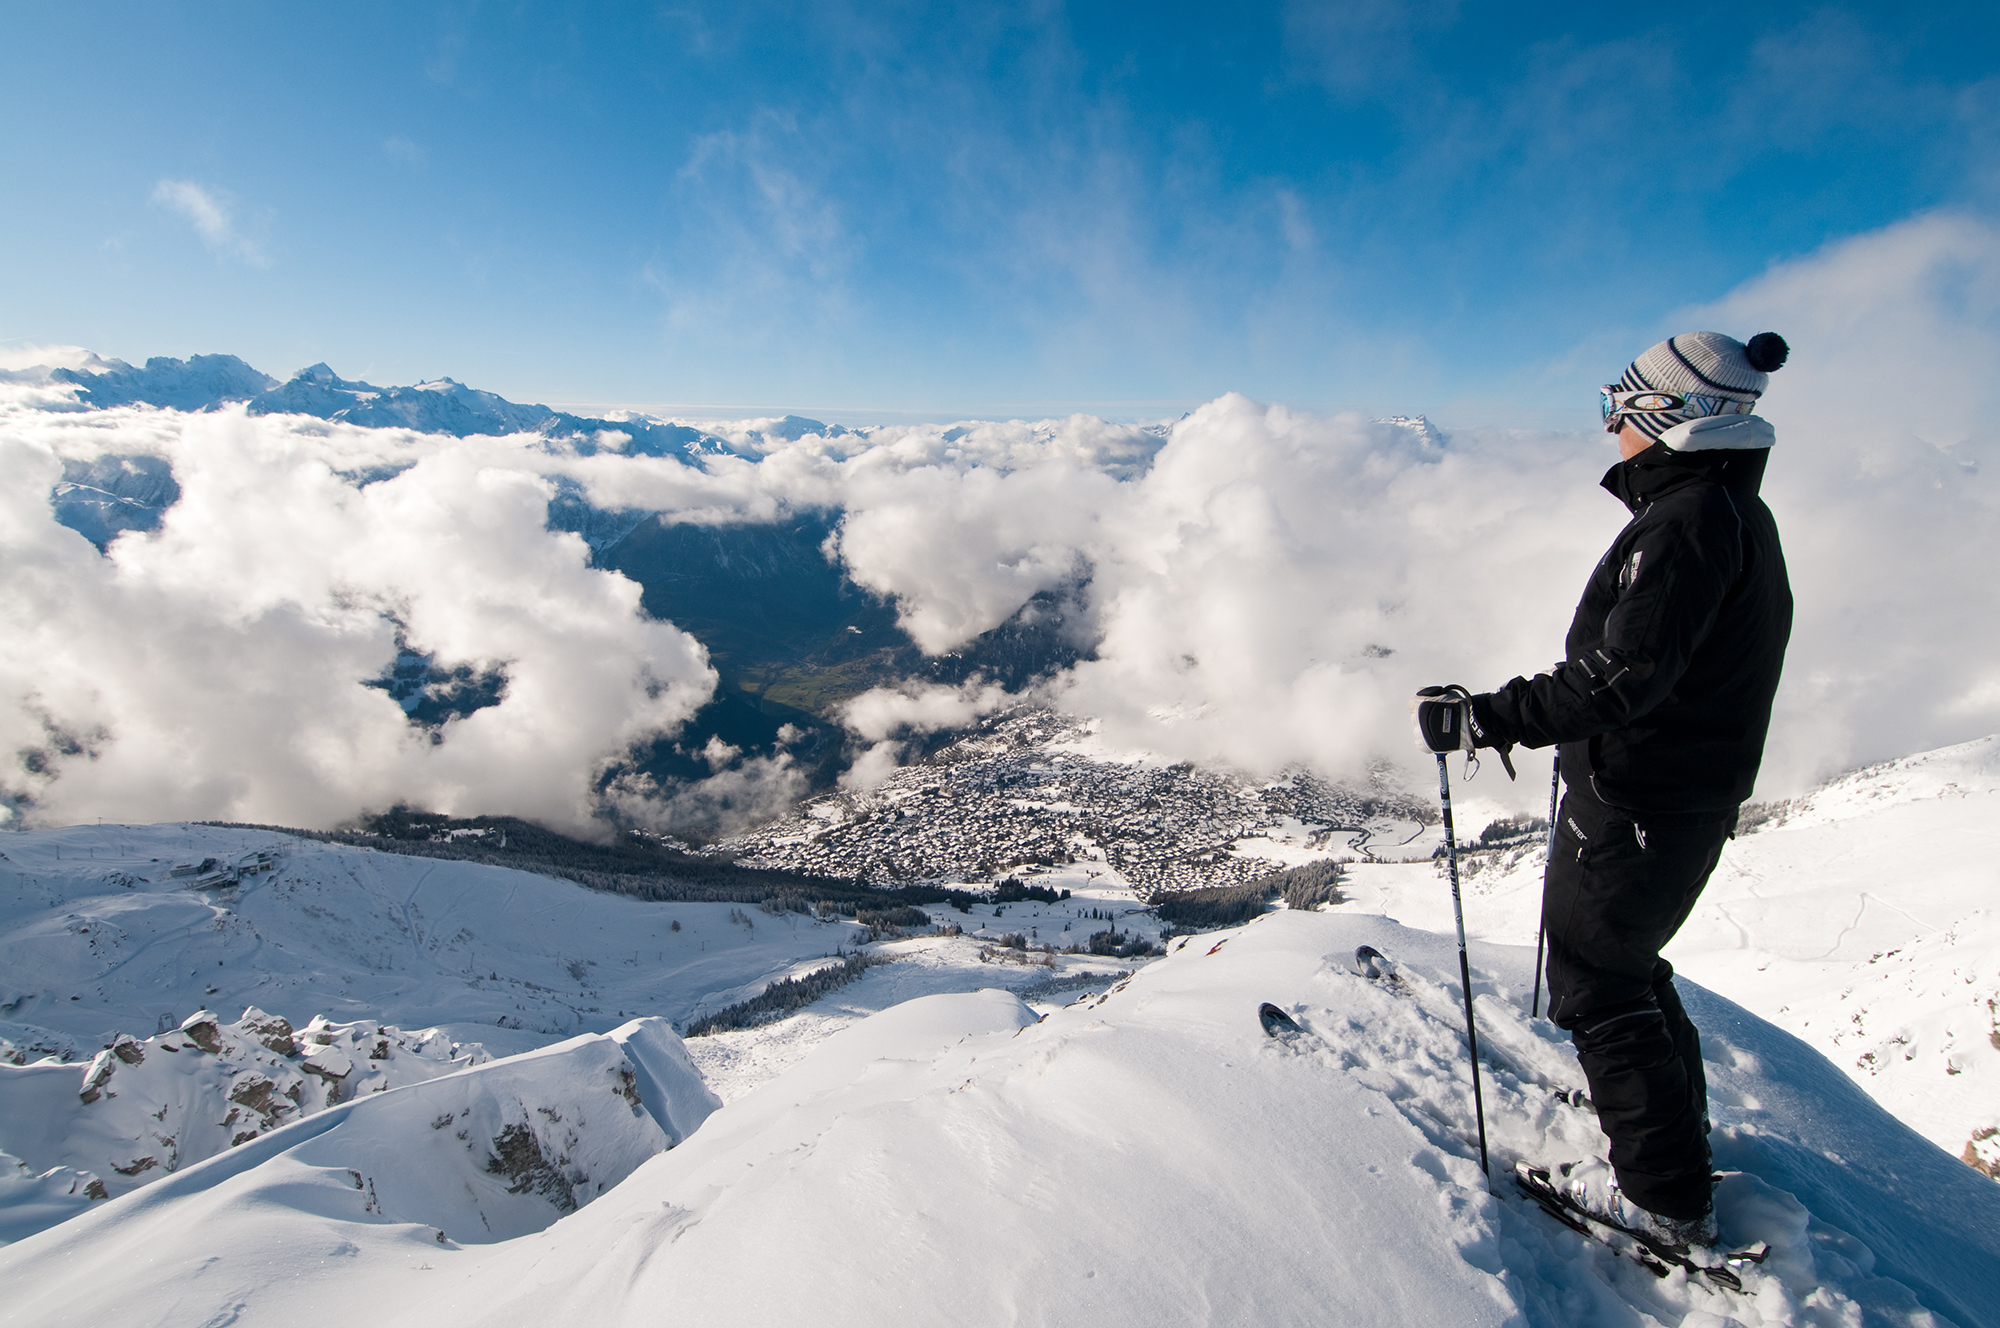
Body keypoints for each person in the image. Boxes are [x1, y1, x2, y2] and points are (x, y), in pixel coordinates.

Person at [1413, 329, 1793, 1251]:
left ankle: (1663, 1196)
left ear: (1670, 415)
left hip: (1641, 799)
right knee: (1623, 969)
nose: (1612, 425)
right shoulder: (1728, 513)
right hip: (1667, 792)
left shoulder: (1690, 522)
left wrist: (1487, 717)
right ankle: (1666, 1139)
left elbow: (1625, 675)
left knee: (1595, 982)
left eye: (1620, 406)